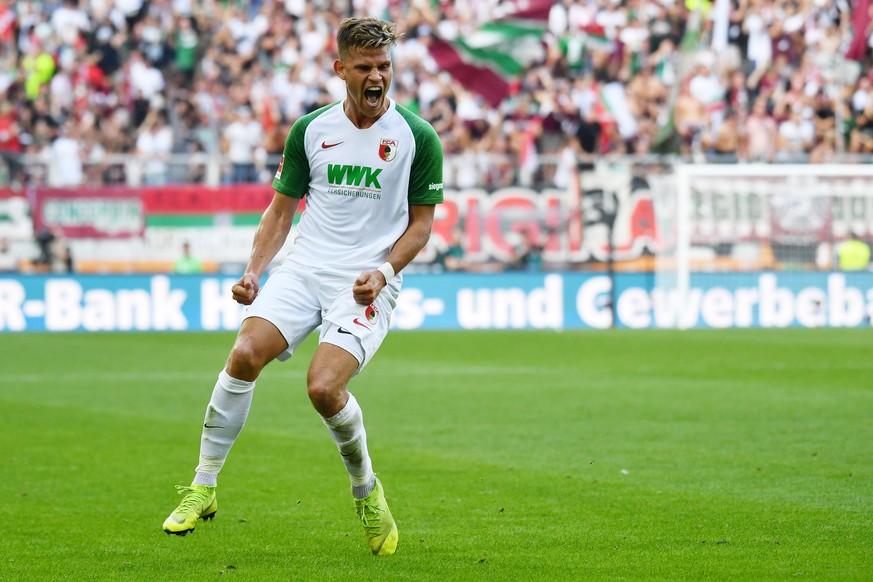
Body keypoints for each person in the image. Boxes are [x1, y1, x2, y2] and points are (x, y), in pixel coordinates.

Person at [161, 17, 444, 558]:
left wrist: (383, 272)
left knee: (323, 389)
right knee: (243, 354)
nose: (377, 76)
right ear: (341, 69)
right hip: (304, 266)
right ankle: (203, 485)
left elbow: (422, 226)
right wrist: (254, 271)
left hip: (366, 280)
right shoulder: (312, 130)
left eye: (384, 66)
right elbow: (281, 211)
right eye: (365, 67)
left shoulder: (417, 137)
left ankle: (366, 490)